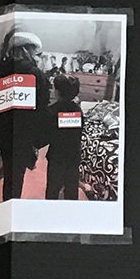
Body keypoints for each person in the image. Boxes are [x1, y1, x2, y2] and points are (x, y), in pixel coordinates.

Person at [0, 30, 50, 202]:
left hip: (5, 134)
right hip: (25, 137)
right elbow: (41, 110)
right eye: (36, 53)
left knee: (9, 173)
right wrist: (38, 141)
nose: (38, 57)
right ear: (25, 51)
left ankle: (8, 202)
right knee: (18, 176)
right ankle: (13, 204)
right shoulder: (36, 74)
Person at [44, 72, 84, 202]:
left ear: (57, 92)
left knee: (53, 187)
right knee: (72, 187)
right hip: (73, 154)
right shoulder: (78, 111)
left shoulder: (51, 111)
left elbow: (47, 136)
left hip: (57, 156)